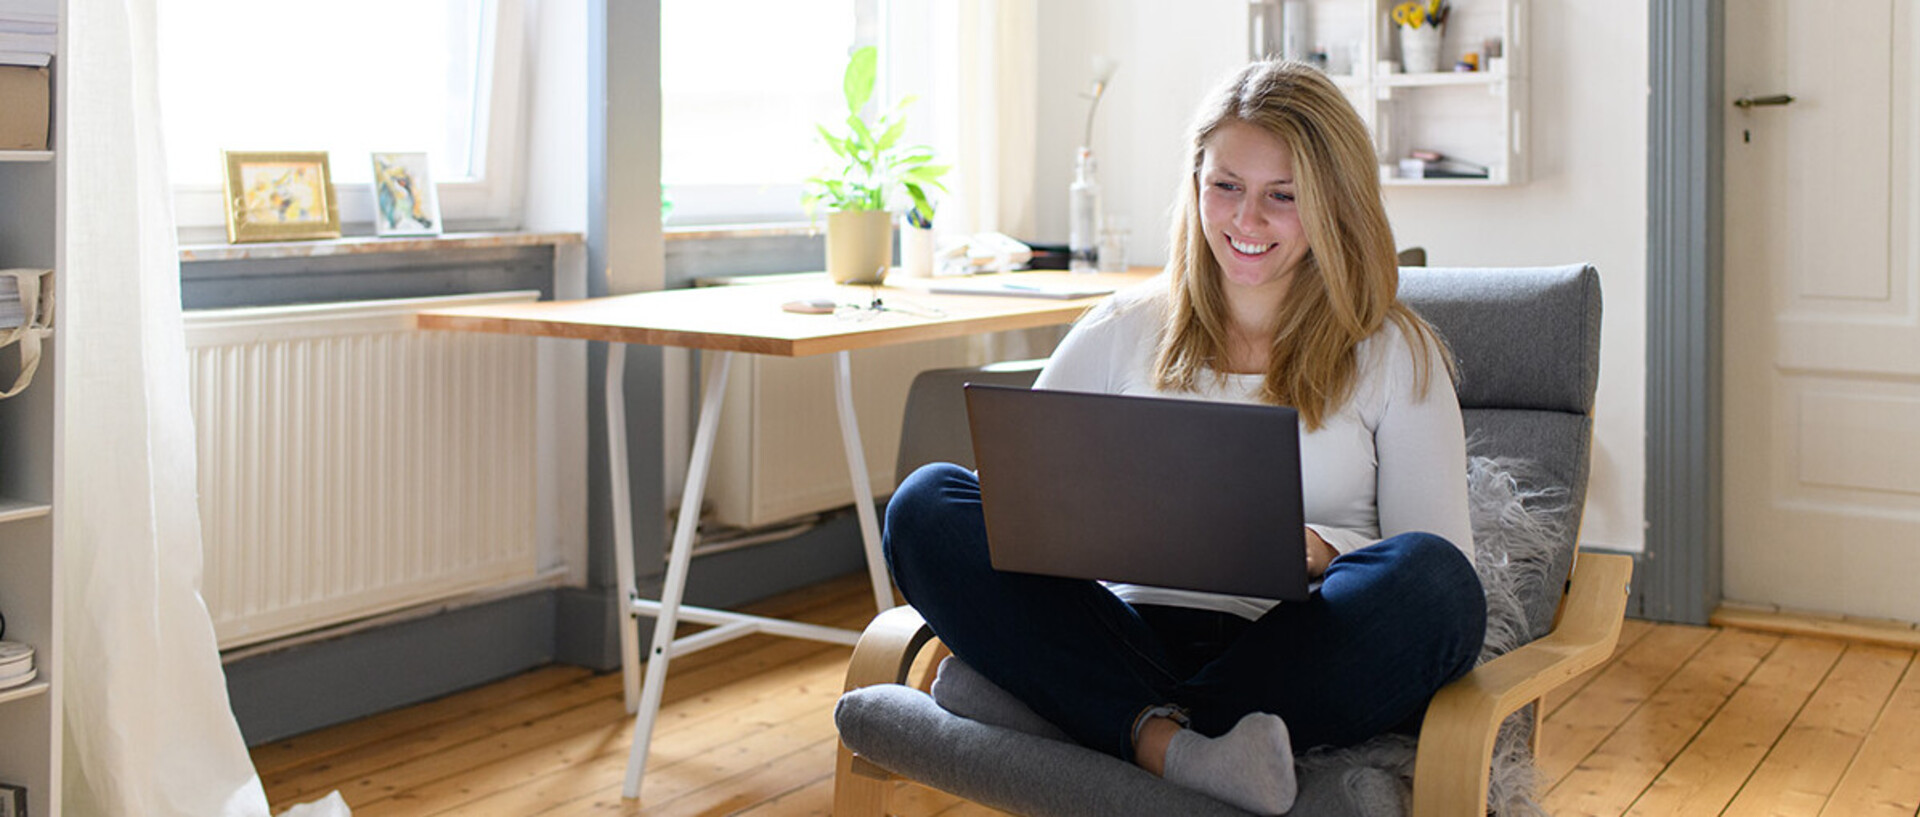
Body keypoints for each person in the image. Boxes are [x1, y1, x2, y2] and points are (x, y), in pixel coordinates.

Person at [883, 60, 1486, 816]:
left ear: (1334, 203)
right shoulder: (1123, 326)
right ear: (1196, 181)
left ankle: (1087, 713)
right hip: (1120, 627)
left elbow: (1442, 568)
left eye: (1283, 196)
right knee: (926, 503)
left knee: (1436, 586)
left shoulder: (1395, 352)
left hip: (1292, 650)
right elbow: (1016, 510)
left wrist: (1324, 555)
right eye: (1226, 185)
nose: (1246, 220)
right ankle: (1183, 745)